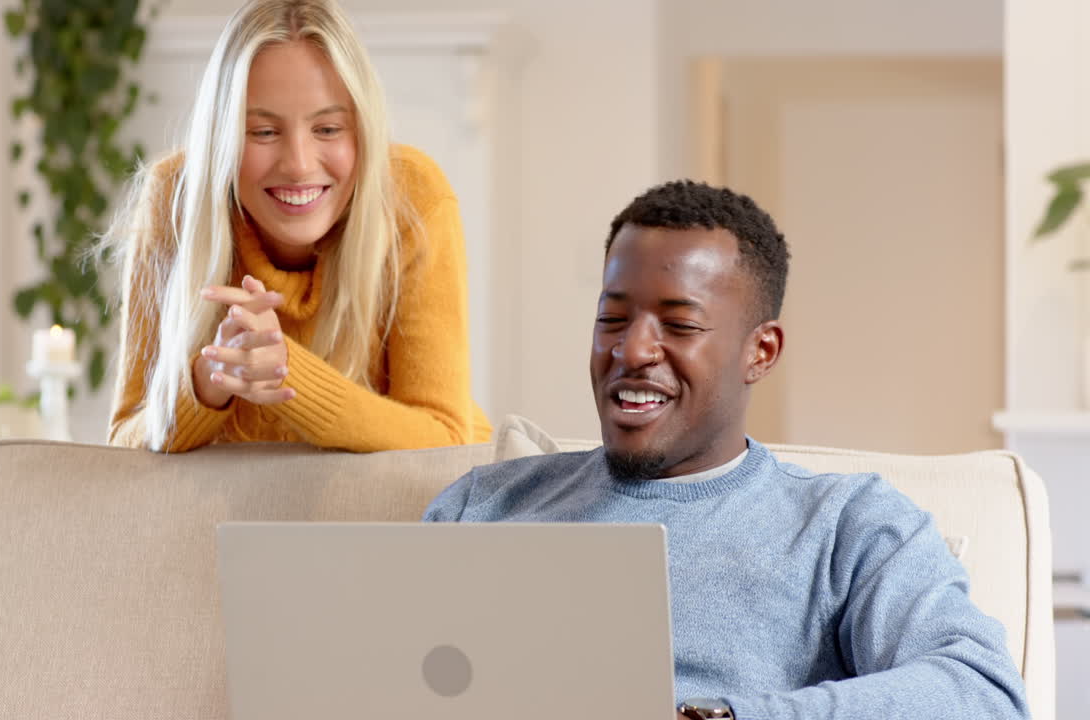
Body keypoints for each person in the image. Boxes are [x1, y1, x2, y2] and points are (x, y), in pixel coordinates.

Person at [424, 181, 1029, 719]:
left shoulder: (847, 524)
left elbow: (983, 696)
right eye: (612, 319)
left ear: (760, 352)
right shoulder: (484, 504)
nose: (632, 351)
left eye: (680, 326)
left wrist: (715, 719)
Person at [103, 0, 490, 452]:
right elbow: (123, 444)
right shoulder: (175, 199)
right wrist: (209, 380)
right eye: (263, 132)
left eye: (328, 129)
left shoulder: (414, 198)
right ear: (222, 136)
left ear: (362, 129)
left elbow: (447, 441)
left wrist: (289, 374)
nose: (299, 165)